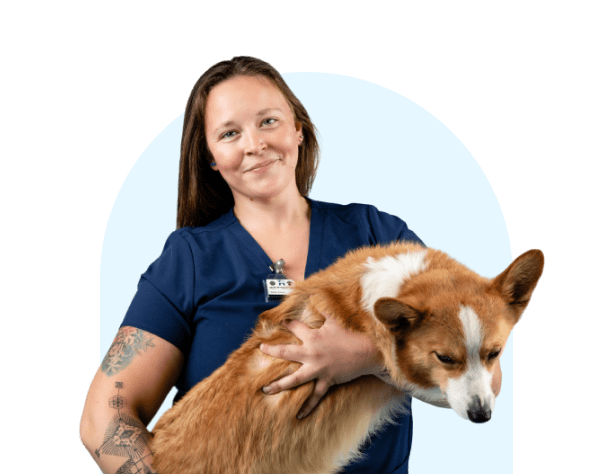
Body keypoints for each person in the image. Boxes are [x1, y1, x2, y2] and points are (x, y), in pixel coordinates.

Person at [80, 55, 502, 474]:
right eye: (229, 133)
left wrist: (364, 358)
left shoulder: (378, 235)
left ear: (298, 130)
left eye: (268, 121)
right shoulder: (189, 259)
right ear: (210, 156)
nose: (254, 144)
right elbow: (103, 419)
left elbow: (485, 381)